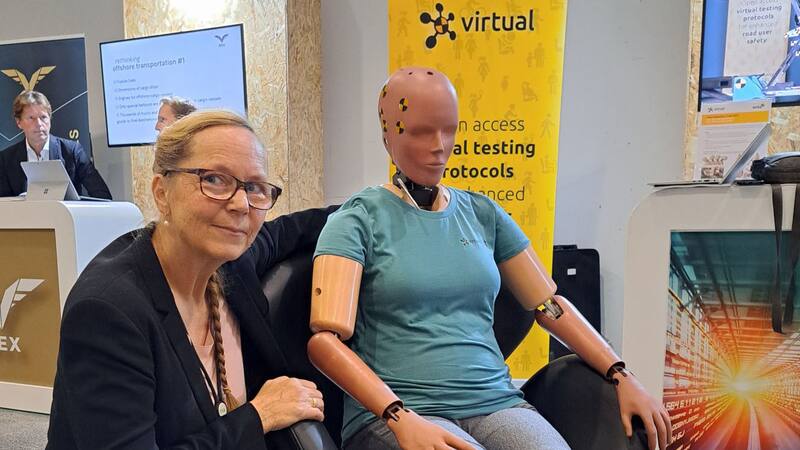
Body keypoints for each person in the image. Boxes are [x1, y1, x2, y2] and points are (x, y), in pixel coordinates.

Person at [307, 67, 672, 450]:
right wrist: (397, 416)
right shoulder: (356, 220)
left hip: (494, 402)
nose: (439, 146)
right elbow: (325, 341)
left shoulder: (482, 214)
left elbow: (548, 305)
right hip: (401, 411)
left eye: (449, 130)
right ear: (388, 134)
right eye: (420, 132)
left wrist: (621, 374)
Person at [46, 110, 335, 449]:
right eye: (214, 179)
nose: (241, 204)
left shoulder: (230, 263)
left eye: (255, 187)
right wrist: (259, 416)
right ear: (161, 192)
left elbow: (288, 230)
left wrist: (369, 206)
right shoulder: (108, 312)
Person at [0, 90, 111, 199]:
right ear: (19, 122)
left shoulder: (71, 151)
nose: (39, 124)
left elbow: (103, 195)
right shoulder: (6, 158)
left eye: (43, 117)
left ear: (50, 118)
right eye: (31, 118)